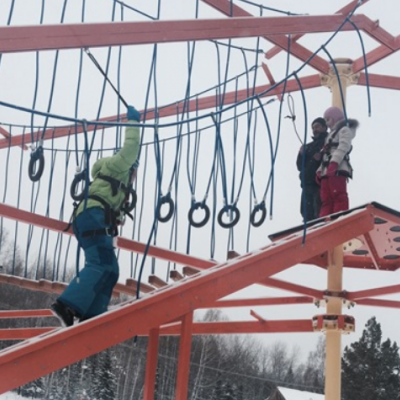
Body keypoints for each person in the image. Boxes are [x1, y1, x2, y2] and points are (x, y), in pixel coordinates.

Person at [51, 105, 141, 327]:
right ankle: (66, 305)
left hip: (90, 219)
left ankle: (91, 313)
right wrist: (134, 123)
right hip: (91, 216)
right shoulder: (117, 166)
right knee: (100, 263)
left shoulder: (119, 186)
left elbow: (113, 209)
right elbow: (131, 148)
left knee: (111, 269)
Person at [316, 106, 359, 217]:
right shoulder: (331, 135)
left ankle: (339, 216)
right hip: (327, 169)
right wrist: (320, 170)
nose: (327, 123)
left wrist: (334, 162)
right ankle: (325, 219)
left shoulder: (344, 130)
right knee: (326, 197)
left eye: (328, 119)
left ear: (335, 118)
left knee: (338, 194)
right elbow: (326, 154)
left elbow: (343, 146)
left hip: (337, 168)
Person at [296, 117, 328, 221]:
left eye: (317, 126)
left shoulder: (327, 142)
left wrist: (320, 157)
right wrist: (301, 154)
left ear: (324, 127)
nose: (315, 129)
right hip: (307, 183)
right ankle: (309, 233)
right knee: (306, 213)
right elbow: (299, 166)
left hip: (319, 183)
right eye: (313, 127)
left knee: (318, 211)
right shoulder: (308, 147)